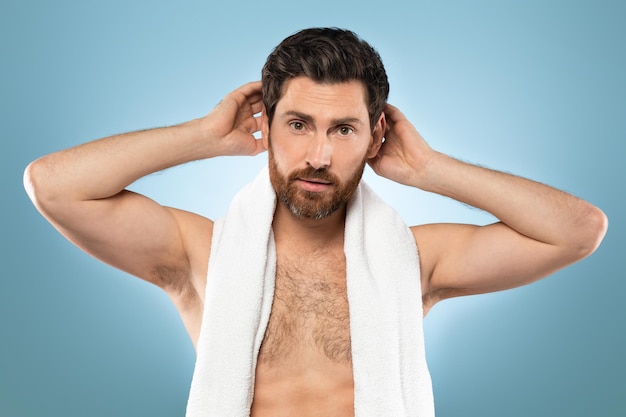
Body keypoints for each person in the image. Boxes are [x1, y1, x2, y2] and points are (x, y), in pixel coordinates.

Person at [23, 28, 607, 416]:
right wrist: (200, 137)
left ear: (376, 134)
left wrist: (431, 168)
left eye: (343, 129)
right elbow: (52, 185)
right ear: (266, 124)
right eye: (298, 124)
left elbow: (578, 229)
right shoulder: (201, 254)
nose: (319, 156)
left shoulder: (415, 259)